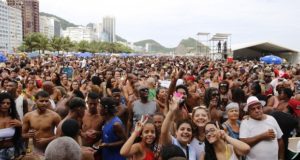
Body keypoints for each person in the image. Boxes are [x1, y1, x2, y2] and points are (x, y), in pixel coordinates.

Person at [0, 92, 23, 160]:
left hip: (12, 152)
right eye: (2, 103)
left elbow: (22, 136)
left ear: (11, 105)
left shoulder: (14, 118)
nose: (5, 105)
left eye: (8, 103)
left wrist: (21, 125)